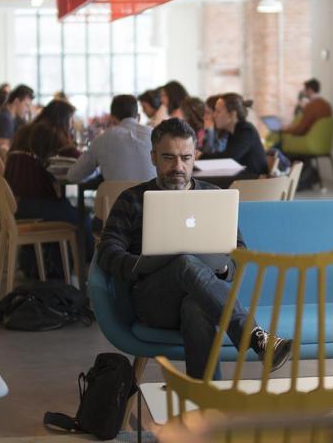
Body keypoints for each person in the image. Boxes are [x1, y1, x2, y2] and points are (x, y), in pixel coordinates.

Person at [97, 118, 292, 379]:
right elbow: (107, 252)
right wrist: (145, 263)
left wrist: (223, 268)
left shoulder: (213, 197)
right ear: (153, 157)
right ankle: (255, 336)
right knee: (185, 262)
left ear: (195, 156)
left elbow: (238, 252)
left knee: (195, 306)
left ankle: (207, 406)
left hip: (203, 298)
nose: (178, 167)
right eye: (168, 157)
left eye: (186, 158)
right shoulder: (132, 199)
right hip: (153, 302)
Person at [5, 100, 93, 274]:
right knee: (83, 216)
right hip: (36, 205)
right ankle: (89, 268)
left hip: (17, 203)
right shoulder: (50, 133)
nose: (71, 125)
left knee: (69, 207)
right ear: (62, 119)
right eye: (70, 121)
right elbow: (79, 158)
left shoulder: (25, 131)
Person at [67, 94, 155, 184]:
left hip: (115, 197)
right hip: (151, 197)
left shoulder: (102, 139)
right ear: (138, 117)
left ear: (112, 118)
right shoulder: (153, 134)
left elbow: (72, 176)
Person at [199, 93, 269, 177]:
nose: (214, 115)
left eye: (218, 111)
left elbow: (228, 158)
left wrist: (201, 156)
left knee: (201, 181)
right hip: (243, 178)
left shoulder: (246, 130)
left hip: (253, 182)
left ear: (232, 114)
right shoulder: (234, 131)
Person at [0, 84, 34, 154]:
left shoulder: (10, 117)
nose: (28, 110)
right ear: (16, 102)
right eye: (26, 105)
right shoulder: (5, 119)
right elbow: (3, 151)